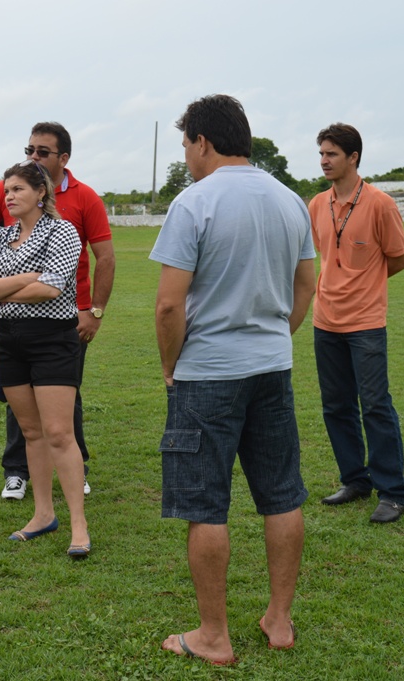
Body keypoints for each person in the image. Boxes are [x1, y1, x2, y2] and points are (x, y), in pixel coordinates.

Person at [150, 95, 316, 664]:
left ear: (202, 141)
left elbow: (170, 306)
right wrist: (272, 338)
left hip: (208, 373)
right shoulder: (290, 200)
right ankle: (280, 618)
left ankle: (214, 635)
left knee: (205, 504)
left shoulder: (194, 202)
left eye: (185, 146)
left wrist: (170, 364)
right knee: (281, 494)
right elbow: (304, 291)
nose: (187, 158)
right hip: (273, 366)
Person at [0, 122, 114, 500]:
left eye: (42, 152)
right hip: (13, 322)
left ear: (63, 158)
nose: (33, 156)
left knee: (64, 399)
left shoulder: (85, 198)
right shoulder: (8, 190)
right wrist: (8, 285)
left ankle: (74, 468)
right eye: (30, 149)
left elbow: (104, 258)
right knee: (20, 405)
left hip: (66, 316)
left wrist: (93, 311)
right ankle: (17, 471)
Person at [0, 161, 90, 558]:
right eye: (6, 190)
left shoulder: (62, 230)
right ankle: (43, 515)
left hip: (52, 340)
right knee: (31, 431)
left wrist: (3, 289)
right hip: (8, 341)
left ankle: (79, 524)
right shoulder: (0, 237)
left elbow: (54, 288)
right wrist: (27, 278)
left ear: (41, 193)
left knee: (59, 432)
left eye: (18, 189)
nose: (9, 196)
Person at [309, 123, 404, 523]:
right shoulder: (317, 204)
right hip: (325, 320)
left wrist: (365, 285)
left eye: (331, 154)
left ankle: (393, 492)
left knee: (375, 405)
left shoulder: (380, 203)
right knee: (336, 406)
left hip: (366, 322)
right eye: (321, 153)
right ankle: (355, 479)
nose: (324, 161)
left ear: (353, 157)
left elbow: (399, 258)